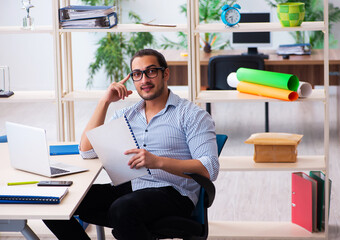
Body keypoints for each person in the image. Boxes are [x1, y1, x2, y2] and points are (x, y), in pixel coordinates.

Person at [43, 49, 219, 240]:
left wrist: (157, 162)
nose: (144, 80)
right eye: (137, 74)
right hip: (132, 188)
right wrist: (105, 102)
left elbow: (210, 168)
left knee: (123, 209)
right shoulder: (126, 115)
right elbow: (87, 152)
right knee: (56, 199)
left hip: (174, 193)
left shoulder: (192, 115)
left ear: (165, 73)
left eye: (151, 71)